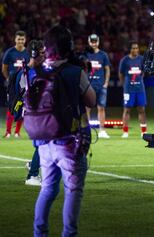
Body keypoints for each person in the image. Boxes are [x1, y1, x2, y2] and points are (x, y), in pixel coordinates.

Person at [33, 25, 96, 237]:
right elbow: (91, 100)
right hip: (69, 141)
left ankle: (39, 233)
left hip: (43, 141)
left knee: (47, 189)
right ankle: (69, 234)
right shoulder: (74, 71)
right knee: (73, 191)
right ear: (68, 46)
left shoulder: (38, 71)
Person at [16, 40, 46, 186]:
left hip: (38, 113)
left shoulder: (35, 71)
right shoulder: (29, 73)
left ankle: (33, 164)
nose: (45, 55)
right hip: (33, 113)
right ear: (34, 54)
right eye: (42, 53)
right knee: (43, 143)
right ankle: (32, 175)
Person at [2, 30, 30, 138]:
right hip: (12, 85)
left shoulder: (27, 53)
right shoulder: (10, 52)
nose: (20, 41)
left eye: (22, 39)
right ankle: (8, 132)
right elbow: (4, 68)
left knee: (21, 107)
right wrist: (8, 79)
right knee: (11, 107)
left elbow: (30, 67)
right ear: (15, 40)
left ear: (25, 40)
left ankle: (17, 132)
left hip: (23, 85)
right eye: (18, 39)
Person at [118, 41, 147, 138]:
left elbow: (143, 72)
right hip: (128, 89)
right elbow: (121, 74)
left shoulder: (142, 59)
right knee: (127, 110)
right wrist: (124, 85)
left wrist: (139, 81)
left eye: (136, 48)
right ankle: (125, 132)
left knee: (142, 109)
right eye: (133, 48)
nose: (135, 50)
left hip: (140, 88)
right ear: (130, 49)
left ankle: (143, 131)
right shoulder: (125, 60)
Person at [86, 34, 111, 138]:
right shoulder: (86, 54)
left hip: (100, 86)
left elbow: (107, 69)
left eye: (95, 41)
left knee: (101, 108)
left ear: (98, 42)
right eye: (92, 41)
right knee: (87, 108)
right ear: (89, 42)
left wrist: (106, 83)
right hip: (88, 86)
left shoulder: (103, 55)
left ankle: (102, 130)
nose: (94, 43)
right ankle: (86, 130)